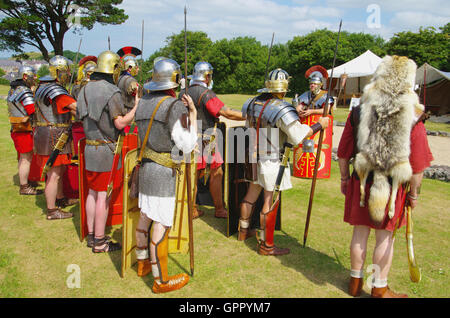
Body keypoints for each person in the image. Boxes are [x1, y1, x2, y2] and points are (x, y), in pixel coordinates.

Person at [337, 55, 433, 298]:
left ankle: (355, 284)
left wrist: (344, 179)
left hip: (361, 180)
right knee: (384, 237)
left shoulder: (359, 110)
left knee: (359, 232)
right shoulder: (413, 115)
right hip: (391, 187)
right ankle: (379, 287)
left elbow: (342, 153)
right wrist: (413, 195)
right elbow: (418, 165)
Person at [239, 68, 329, 255]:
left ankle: (243, 231)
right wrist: (321, 124)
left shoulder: (253, 102)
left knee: (251, 194)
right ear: (284, 87)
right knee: (269, 200)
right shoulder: (281, 107)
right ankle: (266, 245)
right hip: (271, 159)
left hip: (253, 156)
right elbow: (298, 136)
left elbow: (248, 126)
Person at [133, 58, 197, 293]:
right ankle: (161, 281)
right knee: (160, 224)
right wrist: (193, 112)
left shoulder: (143, 103)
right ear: (175, 80)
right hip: (162, 172)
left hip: (147, 167)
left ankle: (143, 264)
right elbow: (188, 144)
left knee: (145, 217)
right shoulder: (174, 106)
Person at [76, 50, 139, 252]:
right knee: (103, 195)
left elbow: (79, 117)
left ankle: (93, 235)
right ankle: (100, 241)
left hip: (89, 148)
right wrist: (136, 106)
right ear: (113, 69)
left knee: (93, 194)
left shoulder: (84, 89)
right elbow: (120, 123)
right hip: (106, 151)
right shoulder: (111, 92)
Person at [179, 61, 245, 219]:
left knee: (192, 174)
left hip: (186, 138)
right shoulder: (206, 94)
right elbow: (227, 113)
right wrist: (249, 115)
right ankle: (219, 209)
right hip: (205, 139)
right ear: (207, 76)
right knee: (216, 172)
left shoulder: (182, 92)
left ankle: (192, 208)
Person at [34, 55, 77, 219]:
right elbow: (75, 108)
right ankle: (52, 210)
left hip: (50, 134)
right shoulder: (55, 90)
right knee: (54, 174)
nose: (67, 74)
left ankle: (59, 200)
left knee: (58, 170)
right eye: (65, 71)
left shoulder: (42, 87)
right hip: (53, 136)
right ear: (58, 72)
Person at [7, 65, 42, 195]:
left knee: (24, 158)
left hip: (18, 129)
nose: (35, 77)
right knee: (25, 158)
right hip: (24, 129)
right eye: (33, 75)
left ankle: (25, 181)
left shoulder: (14, 89)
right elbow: (32, 110)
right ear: (25, 76)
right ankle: (24, 186)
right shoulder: (24, 91)